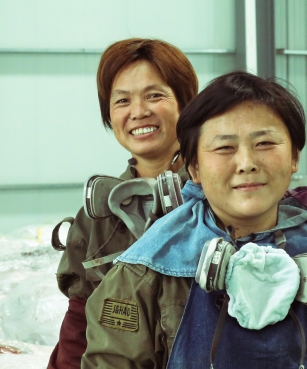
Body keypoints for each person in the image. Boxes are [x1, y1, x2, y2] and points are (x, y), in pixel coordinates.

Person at [81, 71, 307, 369]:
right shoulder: (146, 270)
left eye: (264, 144)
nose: (246, 163)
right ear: (195, 168)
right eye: (224, 148)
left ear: (295, 156)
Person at [48, 38, 198, 369]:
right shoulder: (97, 218)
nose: (138, 112)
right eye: (122, 101)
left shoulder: (218, 200)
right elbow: (79, 325)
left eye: (155, 95)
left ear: (186, 105)